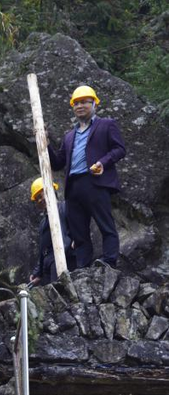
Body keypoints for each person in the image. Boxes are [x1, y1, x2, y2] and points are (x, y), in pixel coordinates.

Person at [47, 85, 126, 268]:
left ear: (94, 104)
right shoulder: (69, 136)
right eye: (76, 103)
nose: (79, 106)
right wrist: (46, 145)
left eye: (84, 102)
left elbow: (119, 149)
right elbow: (58, 163)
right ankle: (83, 268)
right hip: (73, 186)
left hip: (95, 182)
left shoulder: (106, 124)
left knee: (105, 224)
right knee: (78, 233)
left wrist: (103, 163)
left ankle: (109, 262)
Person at [28, 178, 75, 286]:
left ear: (51, 191)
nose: (40, 200)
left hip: (64, 256)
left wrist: (76, 238)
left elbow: (76, 225)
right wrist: (38, 273)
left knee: (61, 292)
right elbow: (42, 249)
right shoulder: (43, 223)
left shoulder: (64, 207)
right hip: (48, 265)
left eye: (41, 196)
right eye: (37, 199)